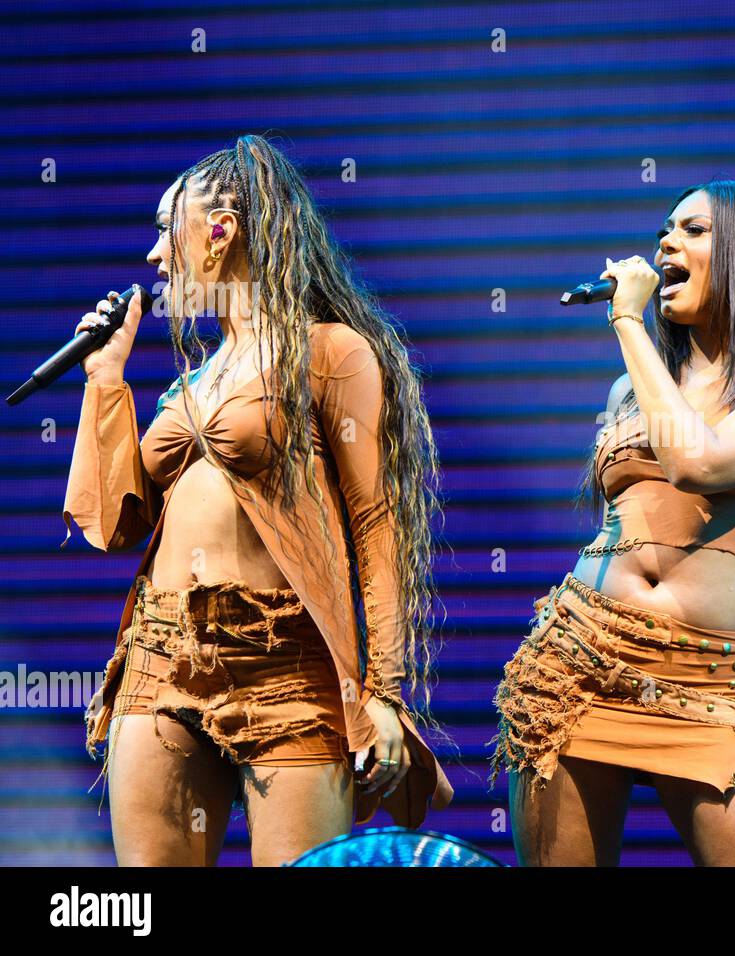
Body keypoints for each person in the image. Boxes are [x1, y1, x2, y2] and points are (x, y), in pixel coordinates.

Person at [62, 134, 453, 866]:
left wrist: (387, 692)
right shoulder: (191, 383)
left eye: (162, 228)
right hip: (163, 656)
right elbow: (116, 526)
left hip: (286, 663)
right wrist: (104, 379)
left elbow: (377, 525)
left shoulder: (331, 351)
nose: (153, 257)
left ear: (221, 228)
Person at [488, 180, 735, 866]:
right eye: (664, 230)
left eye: (693, 230)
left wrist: (627, 323)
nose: (665, 244)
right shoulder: (633, 389)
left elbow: (699, 466)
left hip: (712, 679)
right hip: (581, 658)